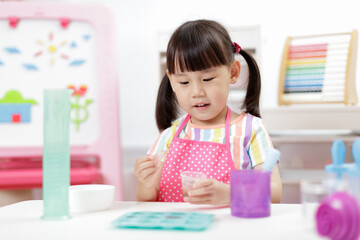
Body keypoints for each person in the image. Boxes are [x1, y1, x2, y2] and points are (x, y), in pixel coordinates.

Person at [134, 19, 282, 205]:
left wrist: (231, 194)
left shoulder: (250, 129)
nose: (197, 92)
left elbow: (274, 192)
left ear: (233, 72)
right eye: (184, 82)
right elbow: (146, 200)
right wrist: (145, 185)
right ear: (172, 81)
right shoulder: (170, 135)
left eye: (208, 78)